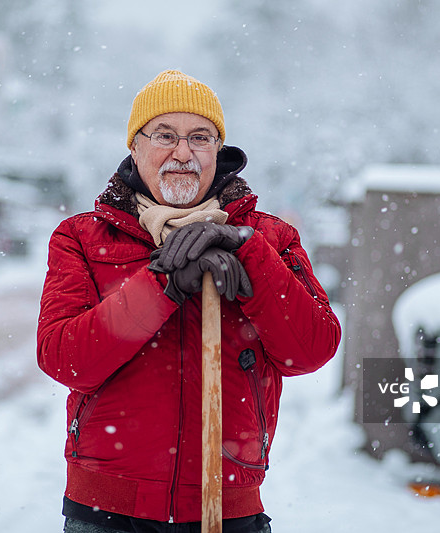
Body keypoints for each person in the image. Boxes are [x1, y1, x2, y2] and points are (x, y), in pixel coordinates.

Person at [37, 70, 341, 533]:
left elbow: (312, 350)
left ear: (218, 151)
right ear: (134, 148)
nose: (183, 153)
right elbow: (65, 359)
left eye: (200, 137)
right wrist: (162, 285)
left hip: (227, 506)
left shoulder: (271, 238)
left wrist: (248, 252)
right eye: (165, 135)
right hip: (107, 511)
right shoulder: (82, 237)